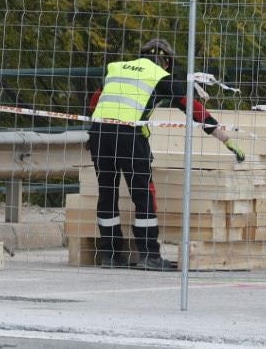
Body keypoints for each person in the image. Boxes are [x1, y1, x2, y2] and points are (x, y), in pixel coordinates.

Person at [89, 38, 247, 270]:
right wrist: (225, 138)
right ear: (167, 62)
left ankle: (111, 255)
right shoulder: (160, 76)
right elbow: (192, 107)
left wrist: (92, 134)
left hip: (99, 133)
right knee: (143, 195)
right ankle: (149, 255)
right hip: (129, 137)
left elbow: (95, 103)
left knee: (107, 193)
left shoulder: (116, 68)